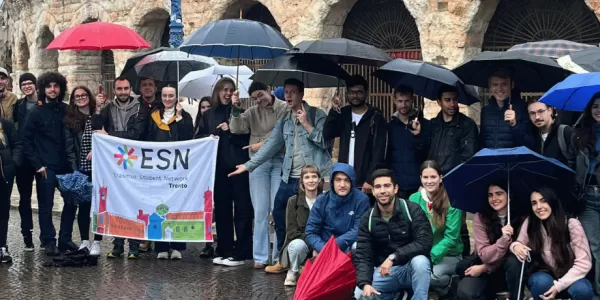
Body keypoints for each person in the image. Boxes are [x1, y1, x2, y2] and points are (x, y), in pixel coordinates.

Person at [228, 78, 333, 273]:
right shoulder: (285, 119)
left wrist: (307, 125)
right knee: (279, 213)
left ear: (302, 94)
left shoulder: (317, 114)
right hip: (289, 176)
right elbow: (271, 145)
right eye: (286, 92)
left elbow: (325, 142)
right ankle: (282, 259)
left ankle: (311, 261)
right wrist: (248, 166)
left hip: (310, 176)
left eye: (293, 92)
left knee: (312, 218)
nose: (288, 96)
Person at [229, 81, 287, 269]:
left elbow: (282, 134)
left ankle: (279, 255)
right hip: (258, 164)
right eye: (254, 98)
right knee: (260, 210)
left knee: (277, 208)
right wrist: (236, 109)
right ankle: (260, 256)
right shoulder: (253, 111)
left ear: (269, 90)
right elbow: (237, 128)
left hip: (279, 159)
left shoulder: (283, 108)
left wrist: (261, 144)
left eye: (261, 95)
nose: (258, 100)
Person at [196, 77, 252, 267]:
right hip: (218, 168)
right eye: (224, 90)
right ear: (218, 92)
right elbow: (199, 138)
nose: (227, 94)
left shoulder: (242, 113)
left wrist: (231, 130)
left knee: (242, 209)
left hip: (238, 166)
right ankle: (225, 249)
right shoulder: (209, 115)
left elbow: (245, 141)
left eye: (231, 90)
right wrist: (209, 136)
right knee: (222, 210)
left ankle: (243, 250)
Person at [354, 168, 433, 300]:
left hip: (410, 269)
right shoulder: (367, 219)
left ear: (395, 189)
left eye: (387, 185)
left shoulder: (412, 209)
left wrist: (393, 257)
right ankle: (399, 295)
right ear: (373, 191)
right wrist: (365, 283)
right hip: (386, 273)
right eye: (378, 187)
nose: (383, 190)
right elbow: (363, 255)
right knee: (361, 293)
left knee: (421, 262)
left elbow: (424, 242)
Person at [22, 72, 73, 256]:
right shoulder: (35, 111)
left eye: (56, 86)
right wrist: (38, 164)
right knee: (46, 205)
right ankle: (49, 241)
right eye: (49, 86)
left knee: (70, 201)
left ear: (61, 88)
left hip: (66, 166)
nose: (53, 90)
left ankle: (65, 239)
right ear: (43, 89)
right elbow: (26, 140)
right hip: (45, 167)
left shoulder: (67, 109)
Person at [510, 188, 593, 300]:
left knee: (583, 290)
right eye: (534, 203)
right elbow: (519, 243)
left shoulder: (571, 224)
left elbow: (584, 263)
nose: (539, 207)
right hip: (543, 274)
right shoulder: (531, 222)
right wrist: (515, 246)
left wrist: (559, 286)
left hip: (571, 278)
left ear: (552, 202)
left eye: (543, 201)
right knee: (541, 283)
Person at [98, 76, 149, 259]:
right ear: (115, 91)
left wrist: (110, 134)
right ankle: (118, 244)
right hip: (115, 163)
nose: (123, 92)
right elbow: (96, 127)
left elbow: (136, 134)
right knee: (116, 203)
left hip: (134, 162)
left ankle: (134, 245)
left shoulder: (140, 109)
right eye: (119, 89)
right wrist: (97, 108)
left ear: (130, 89)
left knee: (135, 204)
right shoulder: (108, 109)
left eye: (126, 88)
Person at [428, 85, 477, 257]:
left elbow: (468, 157)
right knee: (436, 223)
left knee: (459, 226)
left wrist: (454, 180)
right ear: (439, 102)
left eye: (455, 99)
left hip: (455, 183)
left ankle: (462, 262)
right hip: (434, 183)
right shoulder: (432, 125)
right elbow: (425, 152)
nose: (452, 104)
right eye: (448, 100)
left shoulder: (466, 125)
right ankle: (441, 257)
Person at [146, 84, 194, 260]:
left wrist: (180, 118)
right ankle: (161, 246)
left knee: (177, 205)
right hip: (158, 169)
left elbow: (190, 138)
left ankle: (177, 246)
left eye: (171, 96)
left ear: (176, 97)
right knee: (159, 204)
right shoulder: (153, 116)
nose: (167, 99)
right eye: (165, 96)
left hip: (178, 168)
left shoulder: (185, 116)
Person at [456, 182, 524, 300]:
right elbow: (484, 255)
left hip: (512, 271)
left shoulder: (522, 217)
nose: (494, 198)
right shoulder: (480, 218)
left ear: (510, 196)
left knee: (513, 262)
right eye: (490, 195)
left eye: (499, 194)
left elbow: (518, 253)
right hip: (485, 266)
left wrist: (485, 267)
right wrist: (503, 241)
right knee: (466, 292)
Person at [324, 75, 387, 198]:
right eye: (352, 92)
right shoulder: (343, 114)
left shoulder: (375, 117)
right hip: (345, 178)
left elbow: (380, 151)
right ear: (347, 93)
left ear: (366, 93)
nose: (355, 96)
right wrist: (334, 110)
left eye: (359, 92)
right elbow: (328, 133)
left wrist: (370, 178)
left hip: (365, 182)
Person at [409, 160, 463, 298]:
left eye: (433, 177)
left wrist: (430, 257)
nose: (429, 181)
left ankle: (448, 284)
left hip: (448, 255)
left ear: (440, 178)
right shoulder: (414, 198)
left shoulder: (452, 200)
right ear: (420, 179)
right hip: (421, 252)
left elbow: (451, 238)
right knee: (410, 273)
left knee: (430, 277)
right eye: (425, 177)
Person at [64, 86, 103, 256]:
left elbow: (106, 138)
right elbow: (70, 148)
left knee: (99, 207)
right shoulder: (70, 120)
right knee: (84, 206)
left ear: (89, 96)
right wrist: (75, 171)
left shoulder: (99, 116)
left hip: (100, 169)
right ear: (73, 100)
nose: (81, 98)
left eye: (84, 95)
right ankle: (85, 240)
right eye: (77, 96)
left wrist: (97, 148)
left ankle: (98, 241)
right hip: (82, 169)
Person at [570, 94, 600, 297]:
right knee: (594, 246)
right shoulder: (579, 134)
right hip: (587, 196)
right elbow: (572, 165)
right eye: (596, 106)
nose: (599, 110)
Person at [305, 163, 370, 255]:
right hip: (324, 247)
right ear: (332, 182)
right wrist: (322, 248)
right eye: (338, 180)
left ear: (352, 181)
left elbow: (358, 229)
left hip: (348, 246)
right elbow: (311, 231)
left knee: (358, 245)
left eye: (346, 180)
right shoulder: (322, 200)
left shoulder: (361, 200)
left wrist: (333, 246)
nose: (342, 185)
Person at [278, 164, 323, 285]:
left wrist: (319, 247)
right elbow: (292, 232)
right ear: (302, 181)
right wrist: (314, 246)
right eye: (307, 177)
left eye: (314, 176)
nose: (311, 180)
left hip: (321, 244)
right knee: (297, 245)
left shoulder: (325, 200)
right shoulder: (293, 201)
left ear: (319, 180)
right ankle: (293, 270)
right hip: (301, 243)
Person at [386, 85, 430, 199]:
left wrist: (418, 135)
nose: (403, 105)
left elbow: (428, 154)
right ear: (394, 100)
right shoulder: (389, 127)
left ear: (412, 100)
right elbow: (386, 156)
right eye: (400, 101)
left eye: (407, 101)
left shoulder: (426, 125)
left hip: (419, 185)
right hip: (396, 185)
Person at [13, 72, 37, 251]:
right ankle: (27, 234)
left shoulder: (44, 103)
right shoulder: (18, 105)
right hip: (24, 160)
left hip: (42, 156)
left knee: (46, 199)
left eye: (30, 83)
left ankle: (46, 237)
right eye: (24, 84)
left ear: (35, 85)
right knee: (24, 199)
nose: (27, 86)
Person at [514, 101, 574, 166]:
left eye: (541, 111)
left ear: (550, 111)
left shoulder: (565, 132)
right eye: (532, 113)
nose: (537, 117)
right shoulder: (533, 135)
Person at [480, 70, 528, 149]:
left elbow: (529, 143)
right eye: (495, 84)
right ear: (489, 86)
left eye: (504, 84)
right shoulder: (485, 111)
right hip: (490, 160)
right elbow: (482, 140)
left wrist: (515, 125)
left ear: (512, 85)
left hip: (513, 160)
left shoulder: (522, 109)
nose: (499, 88)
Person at [192, 96, 214, 259]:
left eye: (208, 107)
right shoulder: (197, 127)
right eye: (202, 107)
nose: (205, 110)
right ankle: (208, 243)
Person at [0, 117, 22, 263]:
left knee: (2, 212)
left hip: (4, 174)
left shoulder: (6, 124)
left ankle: (2, 246)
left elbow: (17, 145)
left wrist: (13, 165)